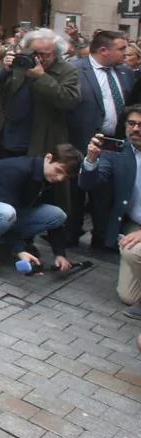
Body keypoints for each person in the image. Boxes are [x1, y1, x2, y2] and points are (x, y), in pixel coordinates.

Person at [0, 145, 81, 277]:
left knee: (57, 215)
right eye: (58, 171)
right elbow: (6, 211)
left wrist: (60, 254)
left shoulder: (46, 177)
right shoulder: (17, 170)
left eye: (64, 177)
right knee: (6, 212)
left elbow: (54, 222)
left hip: (0, 211)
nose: (59, 178)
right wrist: (19, 250)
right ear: (48, 158)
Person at [0, 28, 79, 176]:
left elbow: (68, 100)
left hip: (37, 140)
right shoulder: (19, 63)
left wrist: (42, 77)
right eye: (35, 53)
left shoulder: (67, 71)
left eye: (45, 54)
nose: (39, 59)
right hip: (3, 136)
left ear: (56, 53)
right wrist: (5, 70)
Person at [68, 31, 135, 249]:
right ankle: (70, 234)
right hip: (80, 142)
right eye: (122, 48)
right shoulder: (75, 69)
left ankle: (102, 238)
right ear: (104, 50)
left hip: (115, 144)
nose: (126, 53)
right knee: (76, 191)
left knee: (106, 193)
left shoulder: (125, 72)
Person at [79, 111, 141, 315]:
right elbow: (90, 183)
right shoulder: (118, 152)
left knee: (133, 253)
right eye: (131, 123)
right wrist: (91, 159)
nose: (136, 129)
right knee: (129, 296)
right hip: (135, 223)